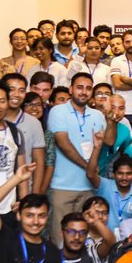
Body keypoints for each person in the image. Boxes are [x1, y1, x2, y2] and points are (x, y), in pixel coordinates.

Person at [46, 73, 107, 241]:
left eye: (88, 88)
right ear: (71, 89)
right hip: (62, 187)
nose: (84, 92)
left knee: (84, 240)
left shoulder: (98, 116)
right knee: (60, 239)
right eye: (79, 87)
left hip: (89, 188)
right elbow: (63, 143)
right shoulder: (58, 111)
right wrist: (87, 167)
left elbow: (101, 146)